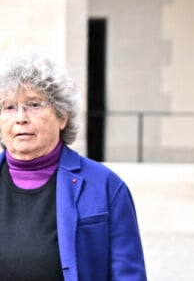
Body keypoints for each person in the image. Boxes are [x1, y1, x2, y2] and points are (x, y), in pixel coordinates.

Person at [0, 51, 147, 281]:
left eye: (34, 104)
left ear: (62, 117)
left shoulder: (106, 187)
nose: (21, 117)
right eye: (9, 107)